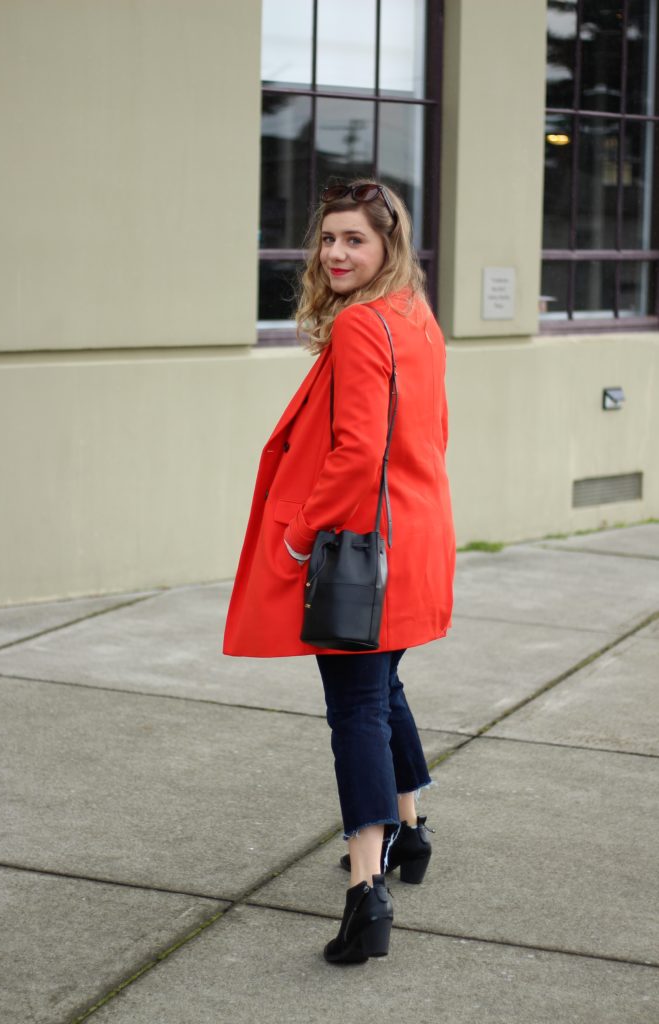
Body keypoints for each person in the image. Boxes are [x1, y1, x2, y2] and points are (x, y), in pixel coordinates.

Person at [223, 180, 455, 964]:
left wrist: (298, 537)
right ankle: (411, 832)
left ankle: (367, 891)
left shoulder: (360, 327)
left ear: (389, 244)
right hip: (413, 537)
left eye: (354, 239)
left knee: (354, 707)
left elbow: (356, 452)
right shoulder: (415, 319)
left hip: (360, 548)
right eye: (327, 240)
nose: (335, 253)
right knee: (382, 688)